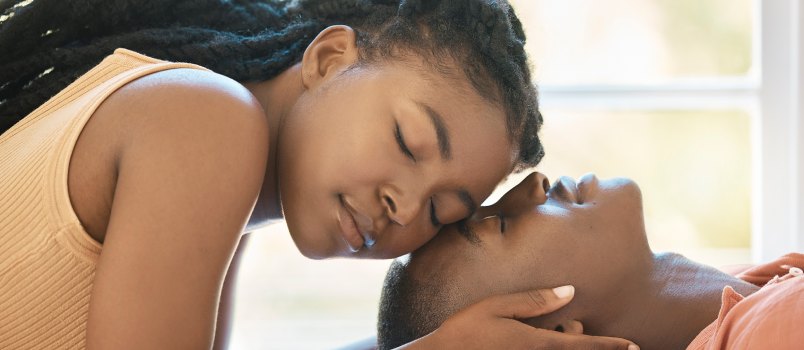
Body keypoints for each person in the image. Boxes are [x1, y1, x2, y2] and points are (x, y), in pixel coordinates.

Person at [0, 1, 641, 349]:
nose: (404, 208)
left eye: (441, 213)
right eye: (409, 142)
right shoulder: (205, 121)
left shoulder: (222, 211)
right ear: (331, 59)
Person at [378, 172, 804, 349]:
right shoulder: (774, 335)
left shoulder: (754, 287)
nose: (533, 183)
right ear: (555, 338)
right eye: (501, 225)